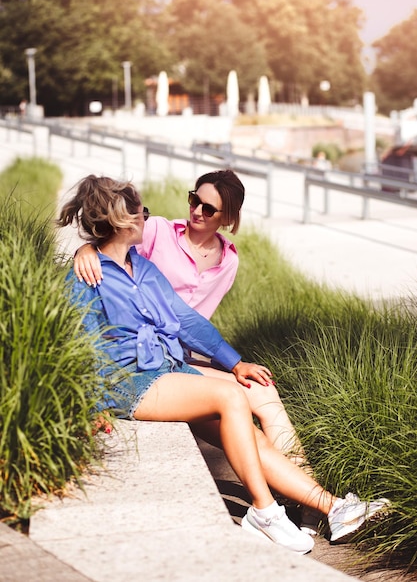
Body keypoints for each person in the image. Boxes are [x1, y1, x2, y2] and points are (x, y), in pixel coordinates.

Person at [58, 174, 390, 555]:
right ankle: (264, 512)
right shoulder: (87, 275)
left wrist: (235, 362)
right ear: (127, 221)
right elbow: (78, 345)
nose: (146, 219)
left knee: (251, 433)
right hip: (128, 382)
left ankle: (333, 508)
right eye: (142, 212)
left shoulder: (145, 270)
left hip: (167, 371)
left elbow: (186, 321)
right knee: (231, 398)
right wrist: (86, 408)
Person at [73, 170, 304, 466]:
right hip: (148, 359)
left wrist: (235, 362)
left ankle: (305, 490)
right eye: (194, 199)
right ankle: (282, 499)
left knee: (264, 390)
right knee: (235, 407)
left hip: (187, 355)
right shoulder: (156, 230)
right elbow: (114, 248)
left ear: (228, 218)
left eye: (208, 208)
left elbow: (192, 322)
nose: (196, 211)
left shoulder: (228, 261)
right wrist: (85, 248)